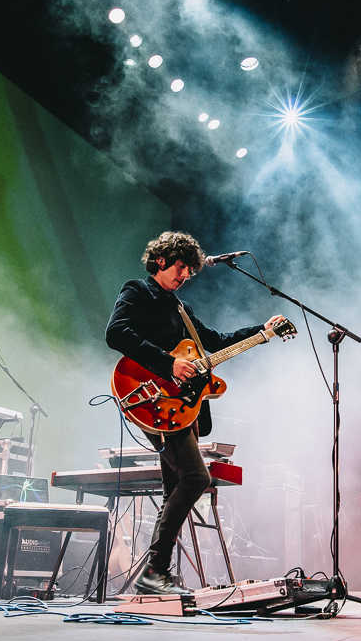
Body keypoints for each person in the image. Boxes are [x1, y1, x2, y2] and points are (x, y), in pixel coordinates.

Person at [105, 231, 288, 596]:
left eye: (190, 269)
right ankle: (155, 572)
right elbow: (116, 333)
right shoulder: (137, 292)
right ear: (161, 260)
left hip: (180, 409)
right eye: (181, 266)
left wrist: (261, 332)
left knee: (176, 485)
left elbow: (215, 341)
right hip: (150, 396)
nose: (186, 275)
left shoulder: (180, 309)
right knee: (195, 478)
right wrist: (169, 363)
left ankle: (155, 576)